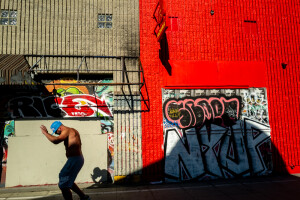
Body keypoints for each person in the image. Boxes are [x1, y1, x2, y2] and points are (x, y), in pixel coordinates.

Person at [40, 121, 90, 200]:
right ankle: (83, 197)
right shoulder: (72, 131)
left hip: (75, 159)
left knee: (63, 182)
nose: (57, 134)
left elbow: (55, 140)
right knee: (68, 180)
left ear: (59, 128)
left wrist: (45, 133)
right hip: (76, 159)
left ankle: (81, 197)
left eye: (56, 132)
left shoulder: (67, 130)